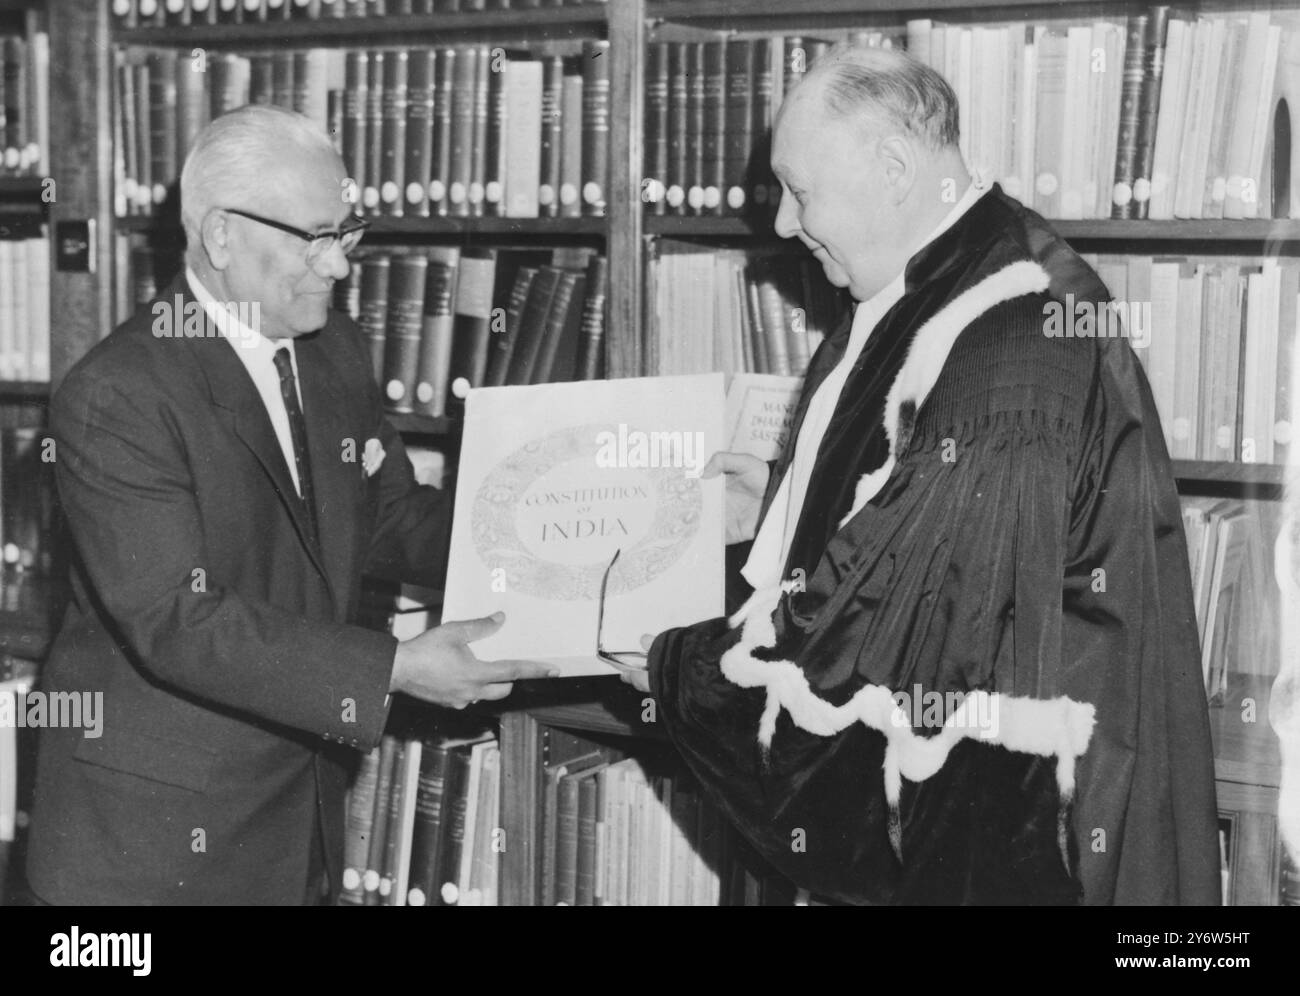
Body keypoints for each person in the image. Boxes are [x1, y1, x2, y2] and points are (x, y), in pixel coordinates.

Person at [635, 46, 1221, 904]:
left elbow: (894, 649)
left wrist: (671, 668)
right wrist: (786, 510)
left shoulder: (1012, 329)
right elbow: (910, 505)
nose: (785, 226)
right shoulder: (944, 272)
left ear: (896, 167)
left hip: (1027, 828)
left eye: (800, 191)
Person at [25, 105, 553, 905]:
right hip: (149, 849)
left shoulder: (333, 348)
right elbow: (179, 621)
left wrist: (553, 530)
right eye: (313, 237)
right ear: (220, 235)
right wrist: (398, 669)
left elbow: (389, 518)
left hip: (295, 816)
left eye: (346, 233)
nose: (338, 267)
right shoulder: (119, 394)